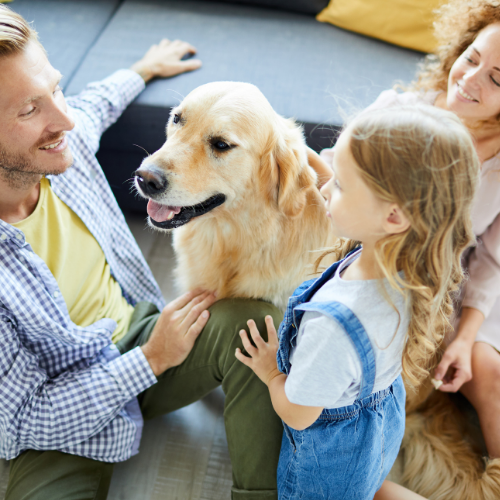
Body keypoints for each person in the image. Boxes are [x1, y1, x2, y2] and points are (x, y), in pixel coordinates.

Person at [0, 5, 284, 499]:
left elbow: (93, 104)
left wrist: (142, 69)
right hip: (57, 417)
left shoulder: (64, 145)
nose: (63, 120)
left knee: (254, 325)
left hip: (141, 328)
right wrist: (151, 360)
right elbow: (22, 419)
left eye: (55, 89)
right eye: (30, 109)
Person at [235, 105, 479, 499]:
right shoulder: (410, 269)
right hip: (379, 423)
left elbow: (299, 415)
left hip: (330, 460)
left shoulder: (332, 326)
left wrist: (269, 372)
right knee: (367, 486)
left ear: (395, 217)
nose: (324, 187)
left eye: (342, 185)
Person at [311, 0, 500, 464]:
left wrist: (462, 336)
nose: (471, 79)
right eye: (472, 58)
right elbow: (333, 175)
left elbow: (490, 260)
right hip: (380, 264)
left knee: (485, 367)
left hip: (457, 284)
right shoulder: (398, 112)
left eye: (498, 78)